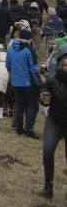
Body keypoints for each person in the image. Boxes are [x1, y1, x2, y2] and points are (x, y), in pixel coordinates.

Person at [39, 50, 67, 198]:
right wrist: (44, 98)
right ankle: (48, 186)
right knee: (48, 150)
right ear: (61, 65)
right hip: (55, 120)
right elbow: (44, 97)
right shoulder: (52, 80)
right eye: (66, 65)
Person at [6, 27, 42, 138]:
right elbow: (34, 69)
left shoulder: (10, 49)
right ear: (29, 39)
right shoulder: (30, 51)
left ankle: (19, 128)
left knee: (19, 105)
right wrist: (39, 83)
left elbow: (8, 66)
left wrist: (14, 77)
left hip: (16, 83)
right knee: (32, 106)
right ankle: (29, 130)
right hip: (29, 83)